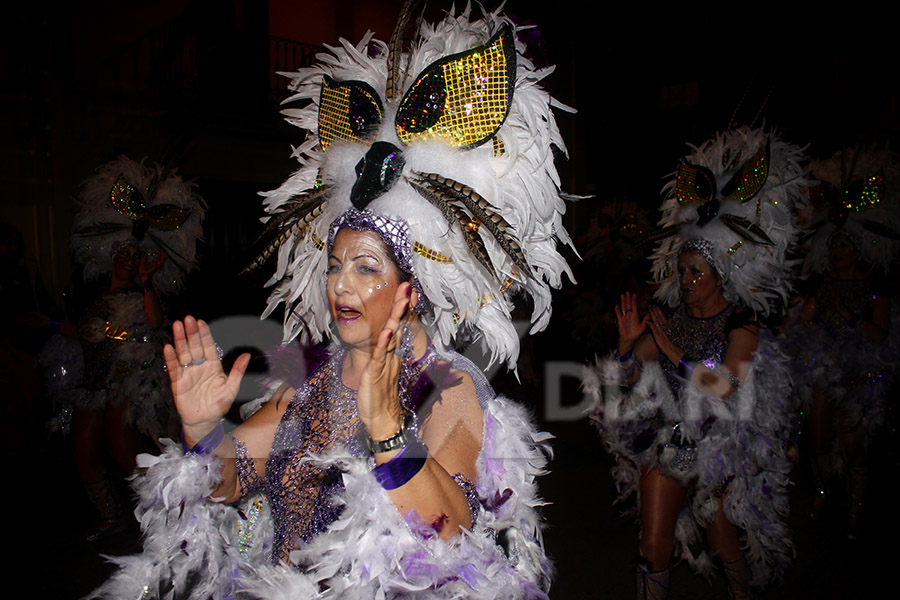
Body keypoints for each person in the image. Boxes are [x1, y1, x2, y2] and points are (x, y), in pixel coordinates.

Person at [90, 5, 574, 599]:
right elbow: (231, 480)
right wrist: (203, 427)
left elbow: (453, 529)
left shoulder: (448, 387)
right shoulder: (312, 381)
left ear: (411, 287)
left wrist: (390, 436)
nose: (340, 285)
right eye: (336, 265)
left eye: (366, 267)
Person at [586, 126, 807, 599]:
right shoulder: (669, 320)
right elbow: (625, 378)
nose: (685, 281)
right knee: (652, 546)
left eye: (695, 273)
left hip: (725, 444)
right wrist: (627, 347)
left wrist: (671, 353)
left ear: (718, 277)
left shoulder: (740, 324)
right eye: (682, 271)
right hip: (670, 441)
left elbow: (727, 386)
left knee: (723, 537)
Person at [68, 155, 206, 540]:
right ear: (112, 254)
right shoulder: (92, 295)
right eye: (124, 254)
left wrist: (146, 283)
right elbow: (80, 331)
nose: (129, 260)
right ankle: (110, 515)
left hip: (130, 384)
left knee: (125, 453)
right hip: (92, 382)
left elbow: (155, 322)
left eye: (135, 254)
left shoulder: (143, 292)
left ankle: (164, 512)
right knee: (83, 452)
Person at [785, 145, 899, 541]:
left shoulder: (875, 286)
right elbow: (803, 324)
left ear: (860, 248)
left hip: (860, 371)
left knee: (853, 447)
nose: (837, 252)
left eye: (844, 246)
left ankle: (856, 507)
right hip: (822, 366)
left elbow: (881, 335)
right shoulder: (821, 282)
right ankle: (821, 491)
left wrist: (850, 317)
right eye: (833, 245)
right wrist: (811, 314)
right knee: (817, 437)